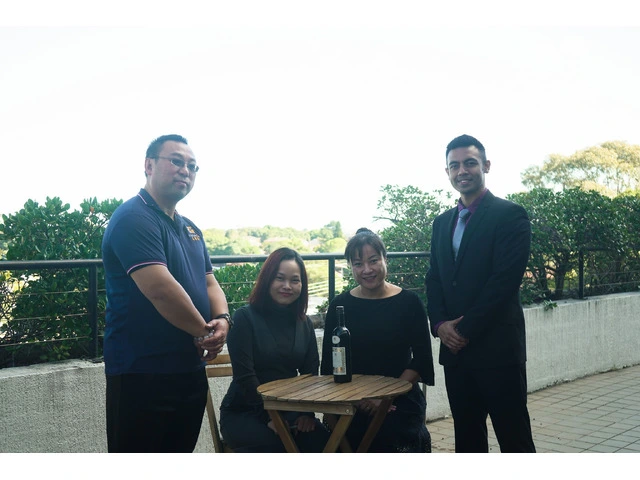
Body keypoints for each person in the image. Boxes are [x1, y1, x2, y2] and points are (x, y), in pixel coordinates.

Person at [102, 134, 231, 453]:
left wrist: (223, 319)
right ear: (149, 165)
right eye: (176, 161)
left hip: (189, 368)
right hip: (142, 371)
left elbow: (210, 282)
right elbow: (160, 290)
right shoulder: (133, 218)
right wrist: (206, 334)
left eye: (192, 166)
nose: (185, 170)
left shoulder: (191, 229)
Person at [425, 134, 536, 453]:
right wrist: (439, 325)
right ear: (447, 172)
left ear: (486, 165)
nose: (462, 170)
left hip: (497, 350)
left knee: (514, 439)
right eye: (455, 165)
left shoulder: (510, 214)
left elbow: (504, 282)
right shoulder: (441, 223)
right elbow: (434, 278)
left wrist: (462, 330)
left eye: (470, 163)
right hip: (456, 354)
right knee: (467, 440)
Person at [320, 228, 435, 452]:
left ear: (385, 259)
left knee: (390, 434)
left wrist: (385, 398)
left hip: (399, 396)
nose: (367, 270)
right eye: (358, 264)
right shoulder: (339, 306)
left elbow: (421, 360)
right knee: (341, 435)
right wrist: (354, 399)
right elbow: (329, 364)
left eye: (373, 260)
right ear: (350, 267)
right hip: (350, 398)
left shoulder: (409, 302)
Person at [219, 247, 330, 452]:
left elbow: (311, 373)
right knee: (278, 447)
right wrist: (269, 418)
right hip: (246, 412)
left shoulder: (304, 323)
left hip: (290, 409)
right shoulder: (245, 318)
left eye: (295, 280)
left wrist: (307, 414)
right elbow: (245, 376)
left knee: (325, 442)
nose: (287, 286)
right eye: (280, 278)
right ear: (267, 279)